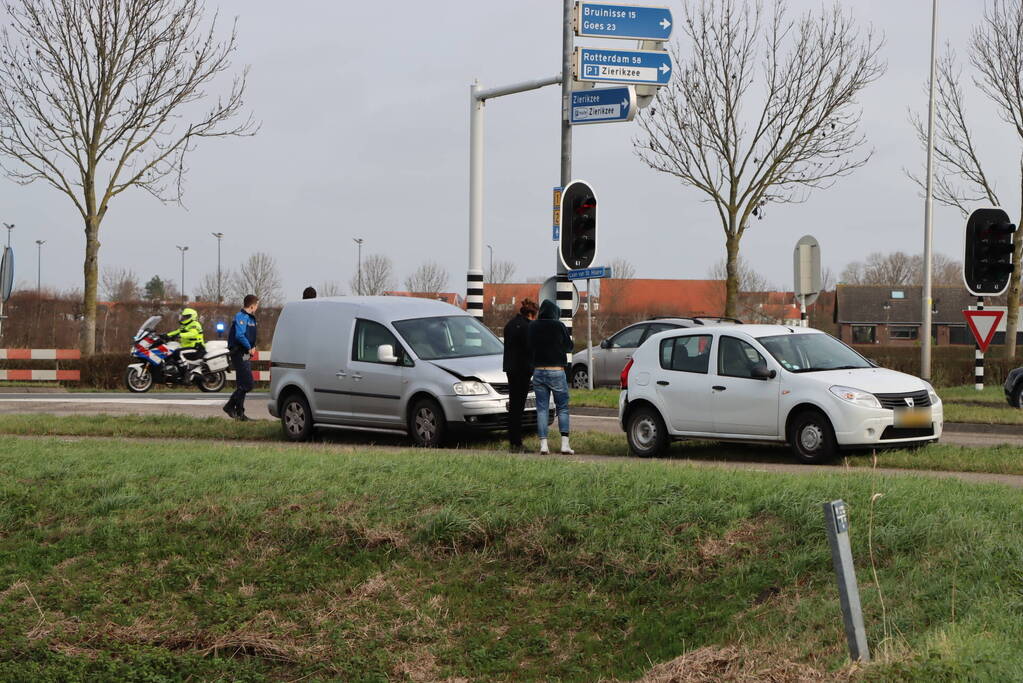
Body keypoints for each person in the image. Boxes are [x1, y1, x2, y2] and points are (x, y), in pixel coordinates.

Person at [528, 299, 574, 455]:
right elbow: (569, 347)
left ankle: (543, 446)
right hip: (556, 371)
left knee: (542, 409)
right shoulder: (559, 326)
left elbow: (529, 346)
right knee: (562, 407)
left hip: (539, 371)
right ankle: (565, 445)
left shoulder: (532, 326)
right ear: (555, 313)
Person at [502, 298, 538, 453]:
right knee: (519, 406)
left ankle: (513, 440)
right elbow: (530, 349)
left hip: (511, 369)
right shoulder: (528, 327)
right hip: (523, 370)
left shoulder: (510, 325)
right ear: (531, 314)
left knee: (513, 405)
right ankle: (517, 443)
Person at [224, 294, 259, 421]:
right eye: (257, 305)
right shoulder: (241, 317)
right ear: (252, 306)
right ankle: (229, 406)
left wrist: (253, 346)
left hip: (245, 353)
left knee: (241, 384)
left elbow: (251, 335)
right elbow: (239, 335)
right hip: (239, 353)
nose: (257, 308)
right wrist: (249, 347)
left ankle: (240, 413)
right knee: (248, 384)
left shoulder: (251, 318)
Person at [164, 307, 205, 372]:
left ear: (192, 317)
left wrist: (180, 335)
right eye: (183, 316)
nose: (183, 318)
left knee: (178, 352)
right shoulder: (185, 325)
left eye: (186, 317)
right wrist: (166, 335)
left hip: (197, 348)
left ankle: (185, 372)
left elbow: (192, 333)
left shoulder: (195, 324)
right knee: (169, 351)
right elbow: (177, 331)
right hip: (188, 347)